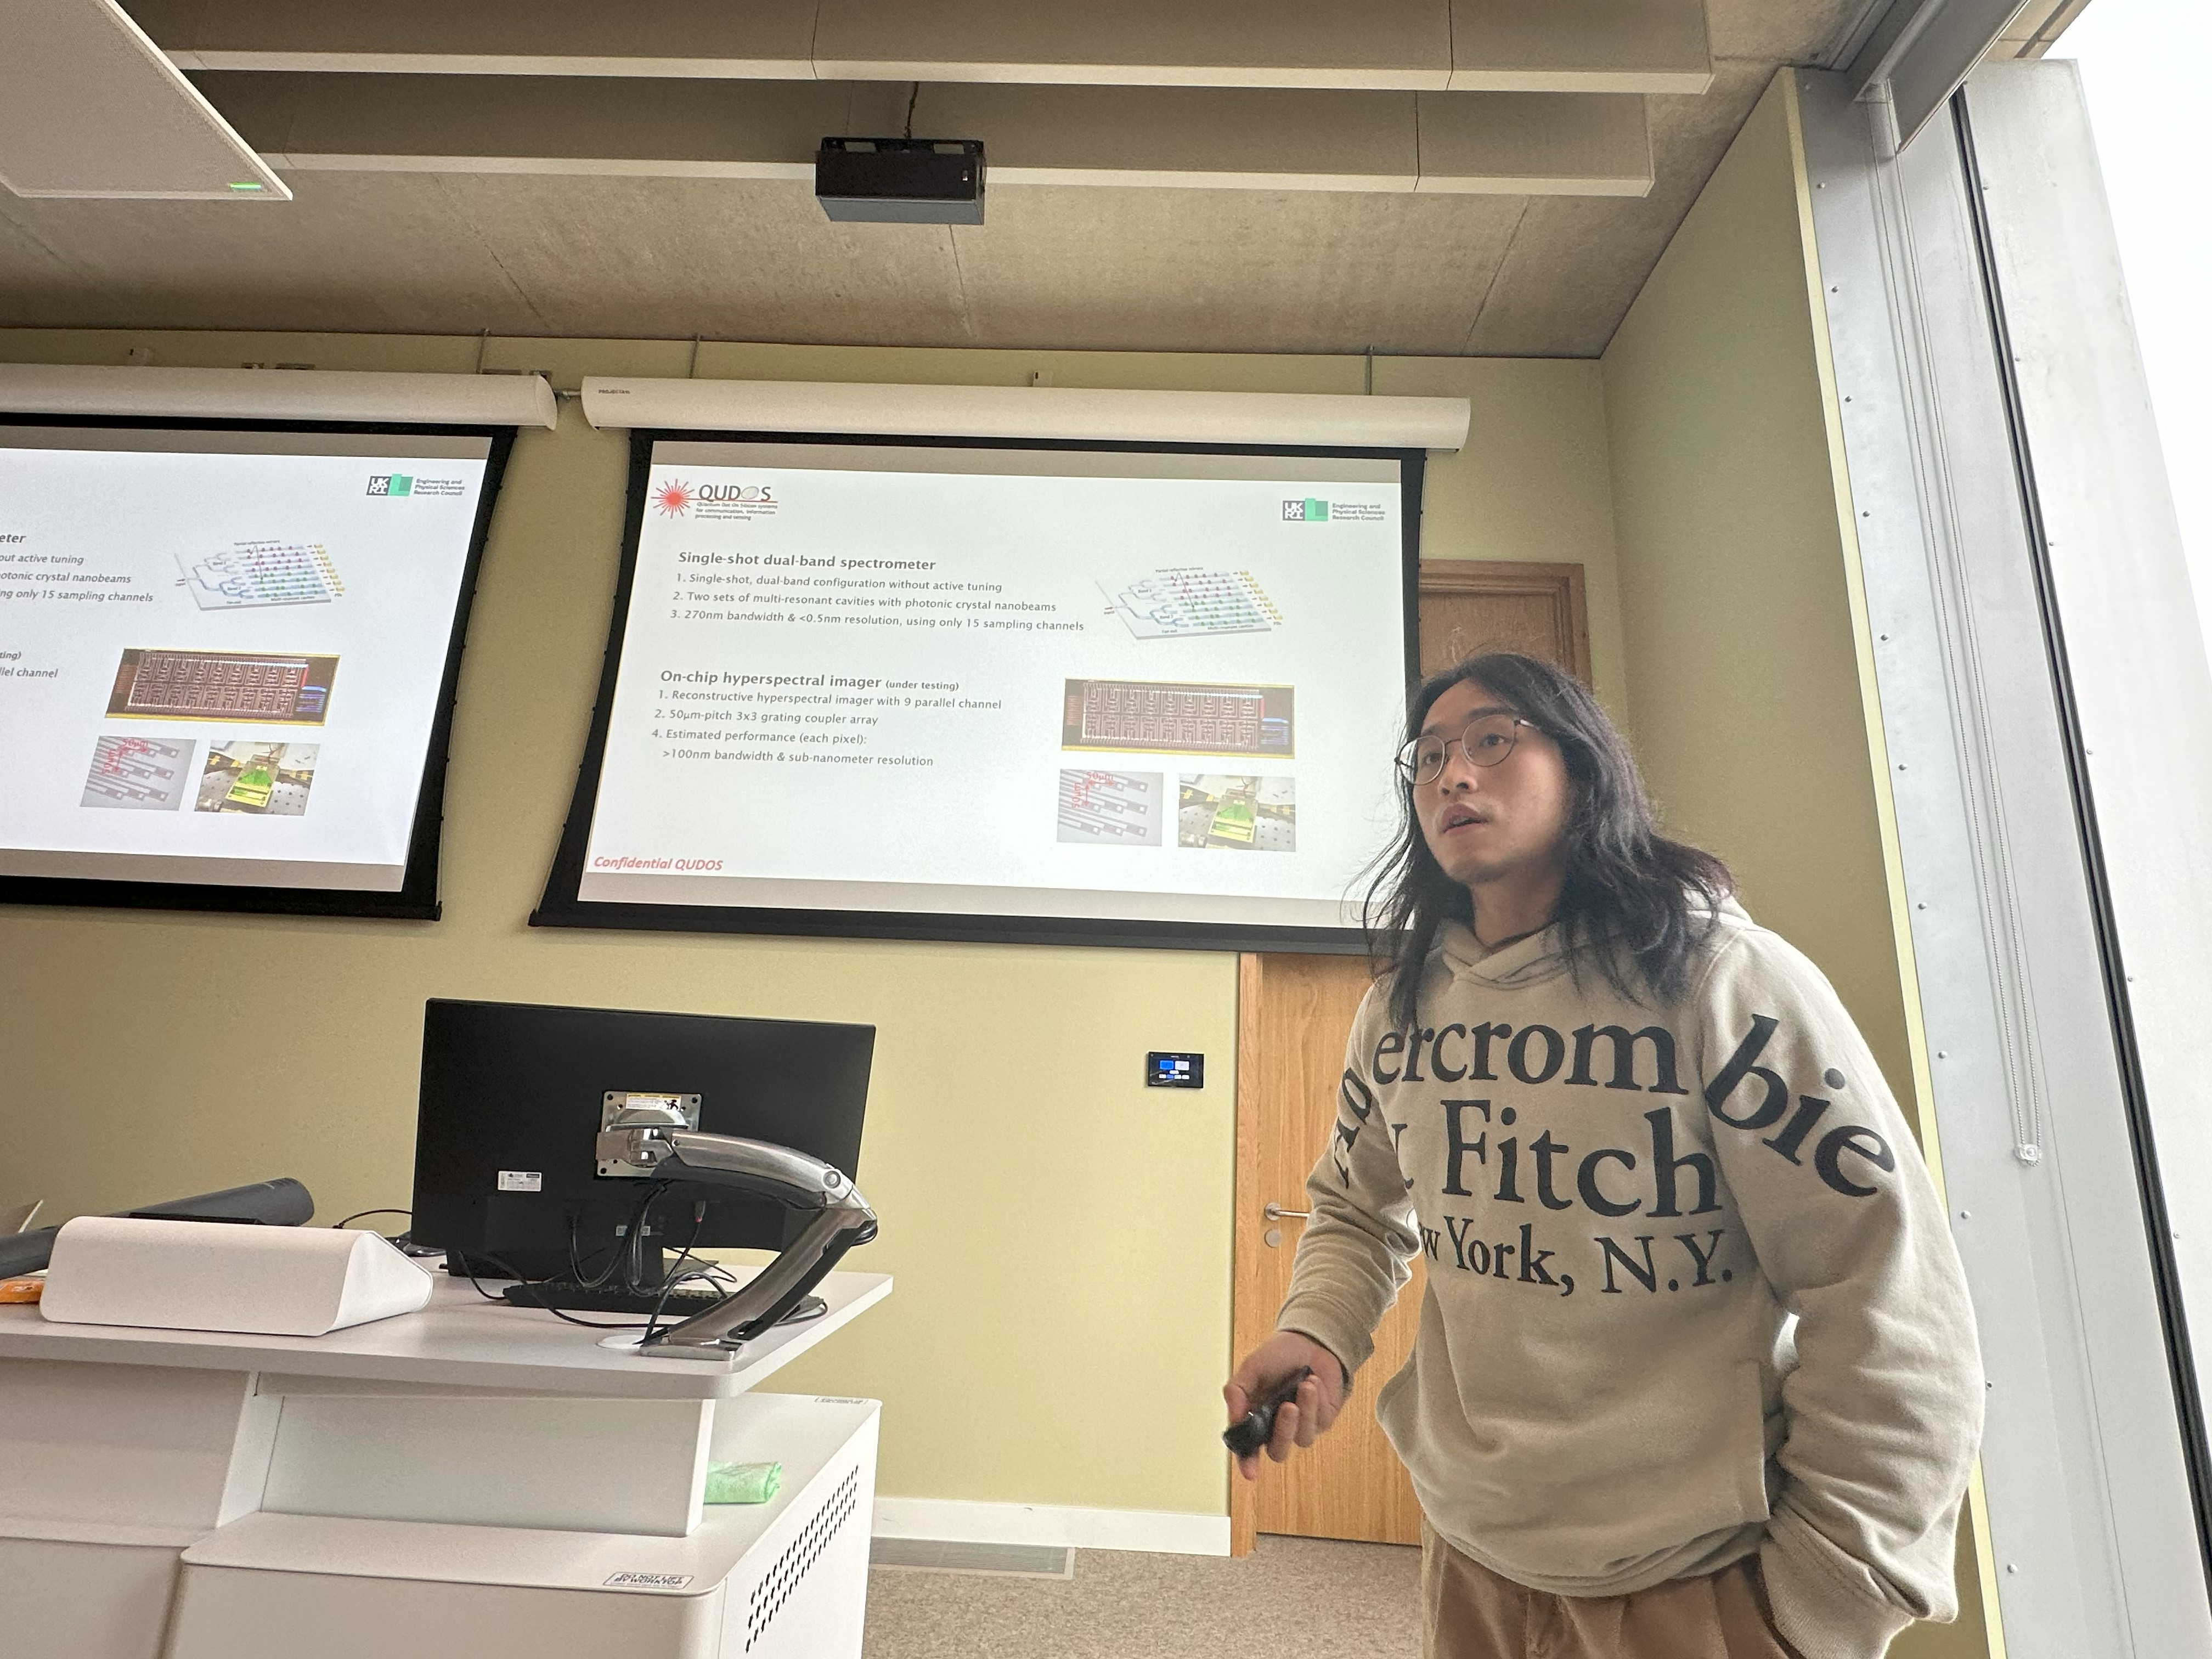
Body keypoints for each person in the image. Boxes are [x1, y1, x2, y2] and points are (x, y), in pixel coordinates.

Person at [1225, 652, 1982, 1659]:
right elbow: (1359, 1211)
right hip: (1471, 1555)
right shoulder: (1400, 1009)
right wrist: (1318, 1331)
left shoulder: (1724, 981)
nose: (1454, 775)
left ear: (1583, 768)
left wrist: (1833, 1589)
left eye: (1493, 739)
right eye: (1430, 756)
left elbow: (1886, 1285)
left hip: (1700, 1578)